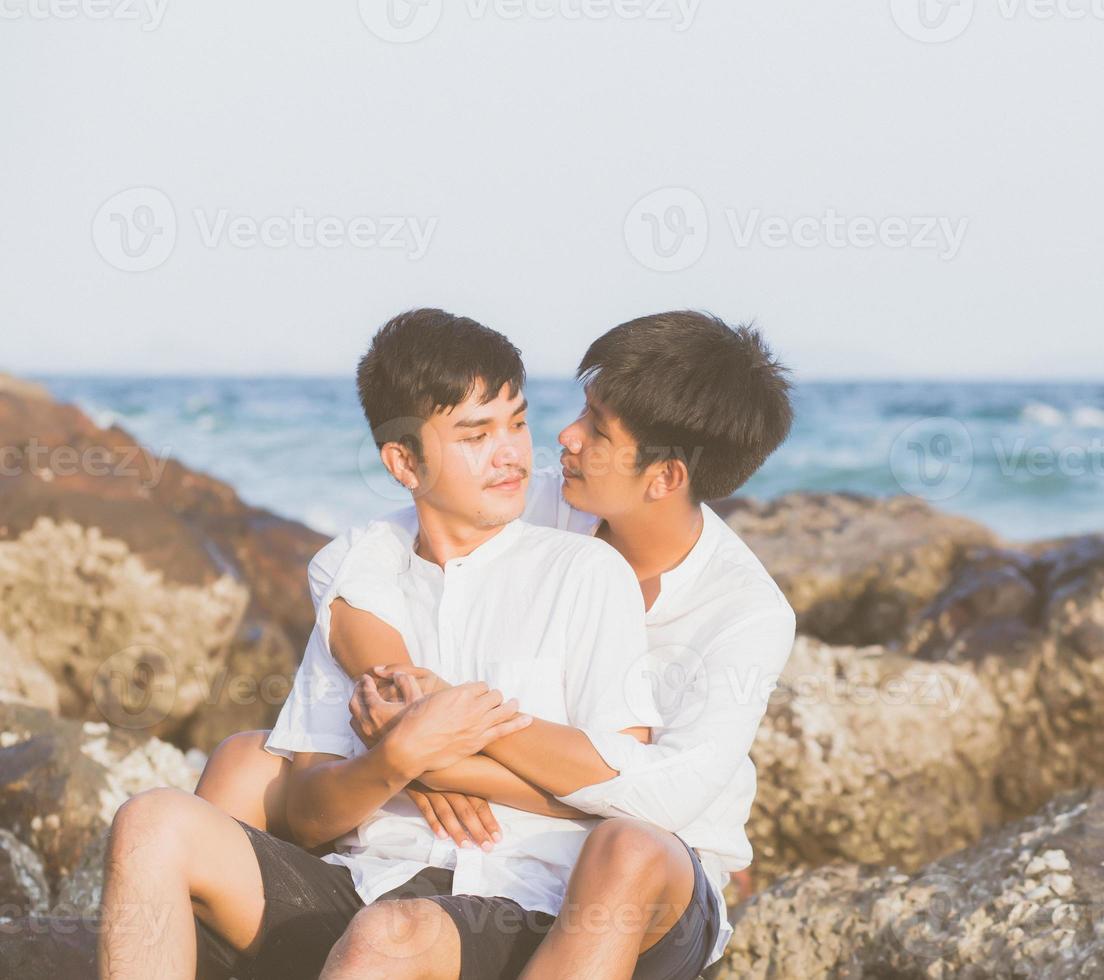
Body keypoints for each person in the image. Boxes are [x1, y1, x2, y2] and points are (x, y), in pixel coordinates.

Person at [194, 310, 799, 978]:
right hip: (507, 835)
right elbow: (355, 563)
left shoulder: (746, 614)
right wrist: (403, 688)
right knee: (248, 762)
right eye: (580, 410)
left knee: (625, 847)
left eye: (597, 428)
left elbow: (659, 797)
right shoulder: (543, 501)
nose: (564, 437)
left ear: (663, 478)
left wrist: (439, 749)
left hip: (652, 875)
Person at [98, 309, 660, 980]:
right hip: (362, 883)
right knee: (150, 821)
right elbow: (305, 816)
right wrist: (395, 761)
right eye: (475, 434)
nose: (511, 453)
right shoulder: (366, 580)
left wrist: (453, 758)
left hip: (515, 904)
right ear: (404, 461)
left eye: (517, 421)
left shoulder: (583, 573)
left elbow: (631, 783)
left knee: (387, 937)